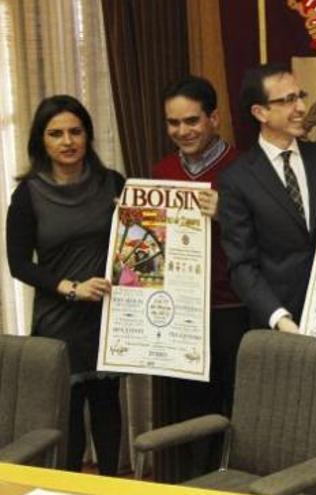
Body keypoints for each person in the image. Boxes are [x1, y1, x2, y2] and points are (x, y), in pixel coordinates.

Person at [6, 95, 124, 475]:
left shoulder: (114, 184)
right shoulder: (27, 195)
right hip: (59, 322)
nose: (67, 141)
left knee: (108, 413)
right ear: (41, 140)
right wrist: (71, 287)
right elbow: (19, 264)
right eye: (56, 133)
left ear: (88, 136)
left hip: (106, 320)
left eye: (75, 131)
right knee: (68, 422)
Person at [151, 75, 249, 478]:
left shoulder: (245, 168)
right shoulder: (162, 170)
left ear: (214, 118)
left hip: (234, 308)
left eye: (191, 121)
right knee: (193, 411)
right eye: (173, 124)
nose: (182, 132)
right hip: (182, 313)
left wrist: (227, 212)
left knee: (239, 409)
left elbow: (276, 235)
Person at [218, 64, 316, 331]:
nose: (301, 107)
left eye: (300, 96)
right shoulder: (237, 179)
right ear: (260, 112)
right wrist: (279, 317)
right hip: (280, 325)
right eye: (289, 100)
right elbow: (242, 265)